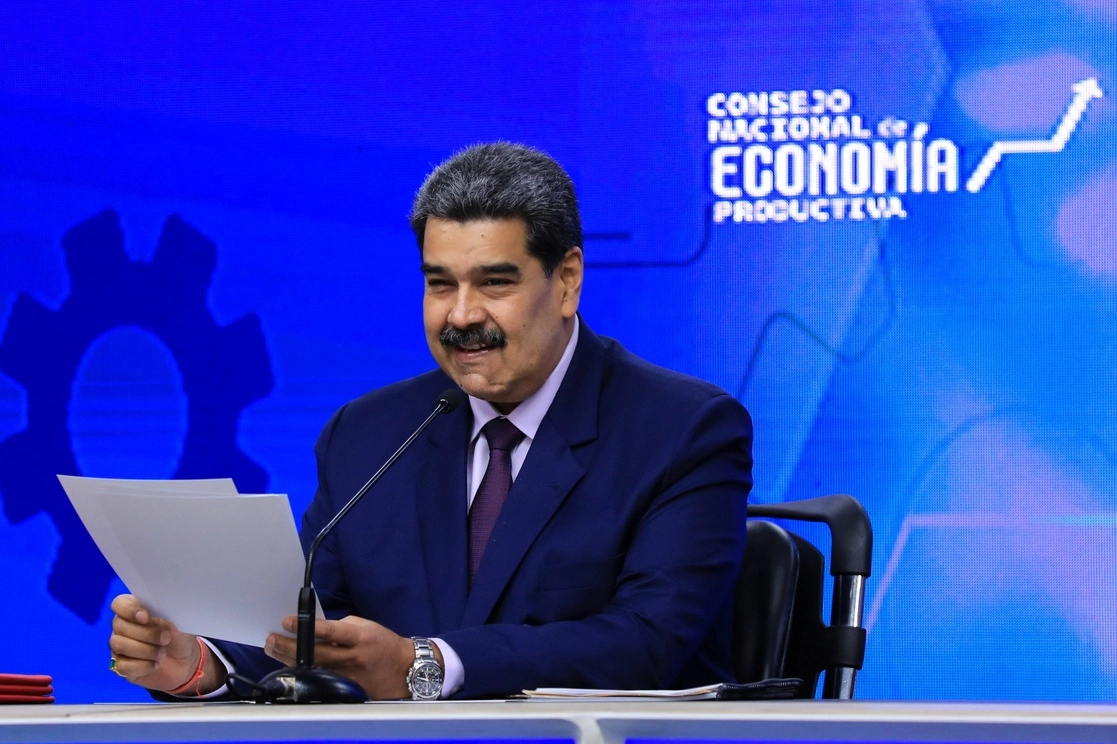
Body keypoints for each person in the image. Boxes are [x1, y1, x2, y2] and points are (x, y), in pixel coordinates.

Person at [108, 142, 753, 700]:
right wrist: (199, 664)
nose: (461, 316)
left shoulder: (684, 430)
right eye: (440, 284)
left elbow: (647, 643)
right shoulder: (365, 436)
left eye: (494, 283)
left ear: (567, 281)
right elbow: (312, 629)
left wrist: (424, 666)